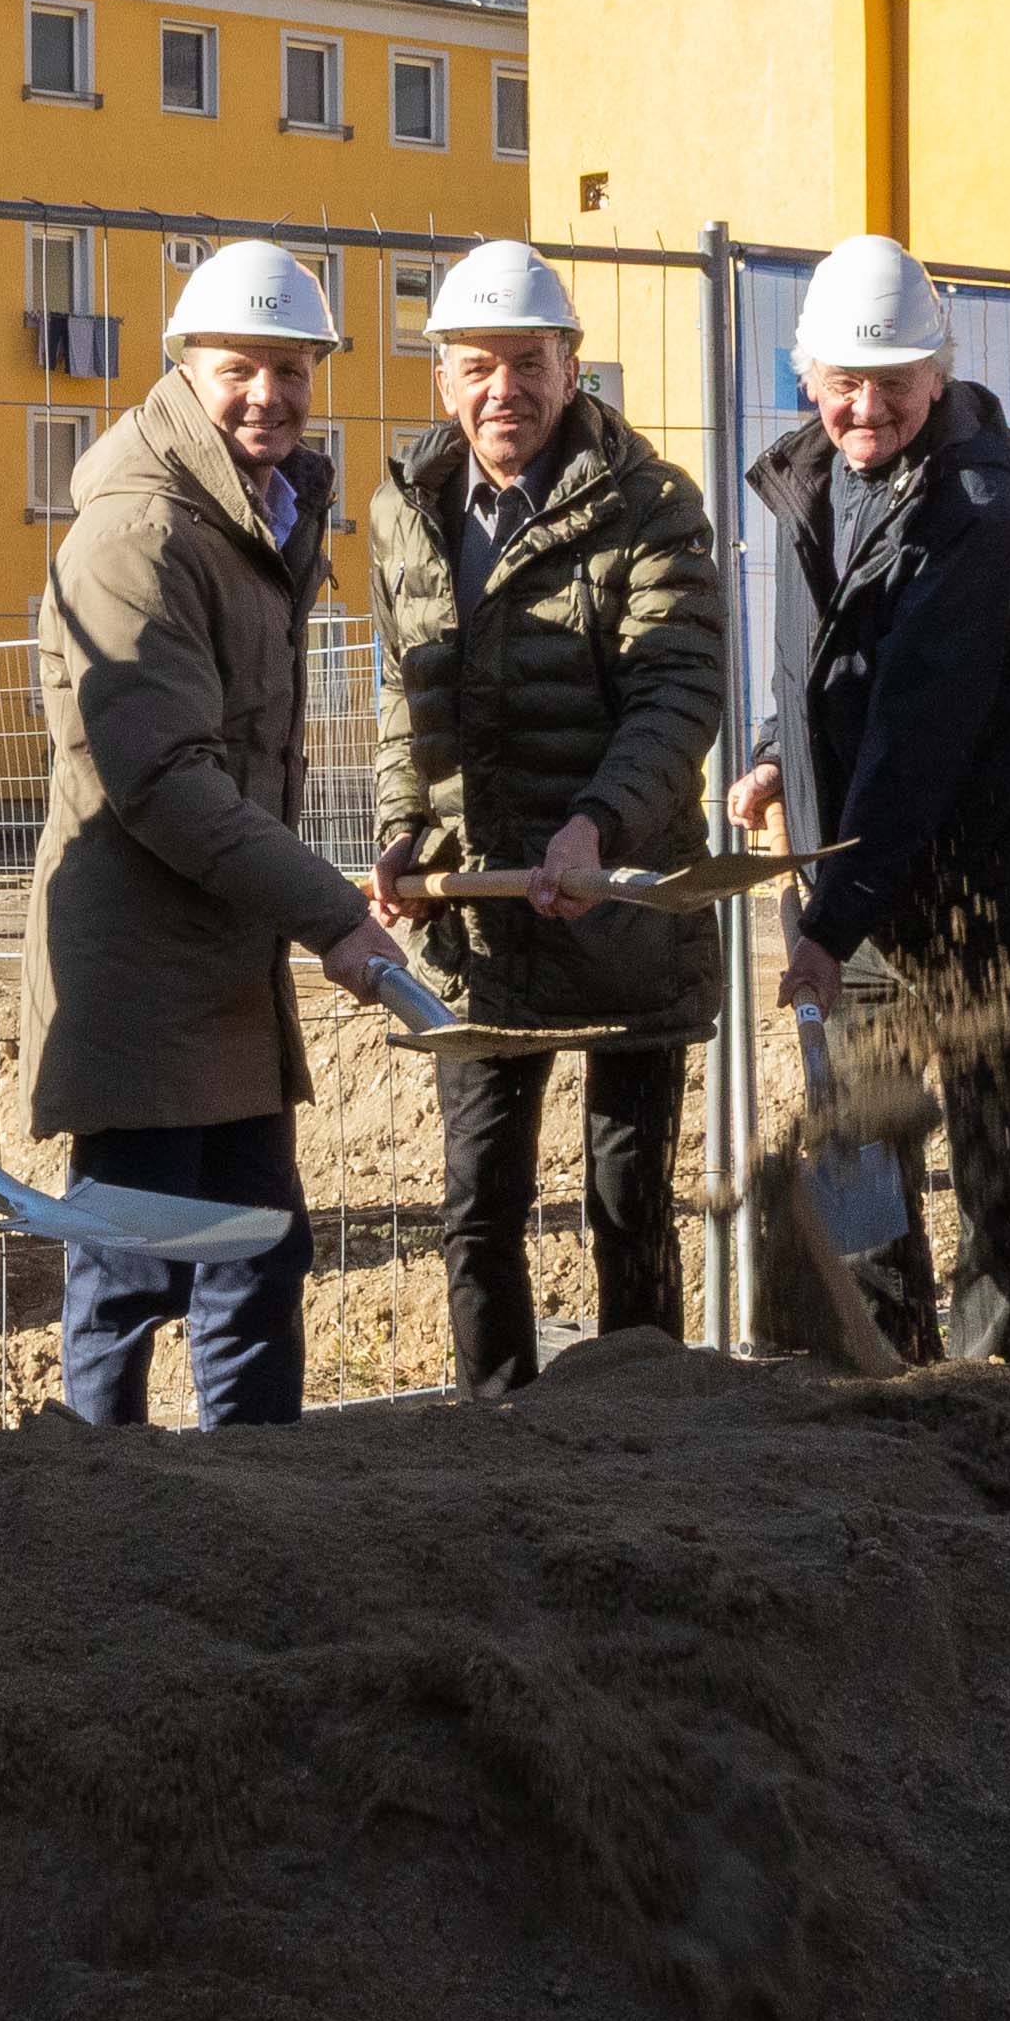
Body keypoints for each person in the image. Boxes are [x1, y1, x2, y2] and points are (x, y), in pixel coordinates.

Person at [23, 235, 408, 1426]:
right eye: (243, 366)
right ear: (185, 364)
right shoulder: (141, 535)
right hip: (139, 979)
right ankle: (106, 1523)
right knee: (132, 1277)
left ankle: (253, 1516)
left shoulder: (256, 517)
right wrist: (331, 913)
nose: (270, 394)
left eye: (294, 370)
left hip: (225, 970)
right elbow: (167, 781)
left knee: (254, 1261)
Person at [362, 240, 725, 1391]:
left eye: (529, 361)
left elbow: (677, 692)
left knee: (627, 1200)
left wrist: (596, 827)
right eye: (477, 365)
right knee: (480, 1208)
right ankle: (500, 1444)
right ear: (442, 379)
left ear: (573, 369)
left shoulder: (651, 504)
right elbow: (397, 691)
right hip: (483, 915)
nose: (502, 389)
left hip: (619, 902)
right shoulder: (408, 511)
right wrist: (401, 826)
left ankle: (648, 1437)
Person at [729, 234, 1010, 1367]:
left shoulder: (973, 516)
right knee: (862, 1141)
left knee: (993, 1162)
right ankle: (887, 1392)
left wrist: (826, 923)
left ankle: (988, 1397)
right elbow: (824, 662)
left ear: (938, 375)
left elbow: (921, 736)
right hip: (865, 878)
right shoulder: (804, 482)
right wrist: (782, 749)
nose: (865, 405)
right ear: (807, 378)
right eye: (843, 381)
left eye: (891, 381)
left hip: (978, 897)